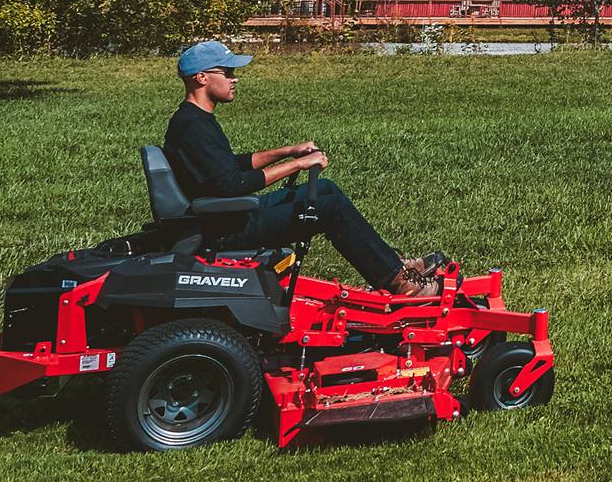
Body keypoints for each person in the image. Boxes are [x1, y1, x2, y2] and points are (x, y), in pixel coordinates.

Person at [162, 40, 443, 296]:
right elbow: (233, 184)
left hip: (229, 216)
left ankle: (392, 265)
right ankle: (400, 282)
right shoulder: (192, 127)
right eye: (227, 71)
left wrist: (288, 151)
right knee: (328, 208)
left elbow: (231, 165)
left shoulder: (195, 120)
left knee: (325, 189)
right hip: (224, 230)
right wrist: (298, 164)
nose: (235, 78)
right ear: (202, 78)